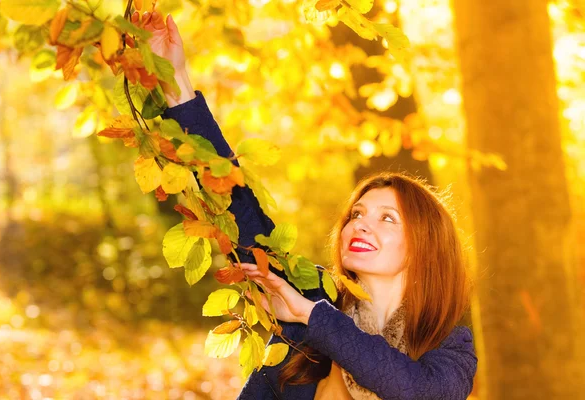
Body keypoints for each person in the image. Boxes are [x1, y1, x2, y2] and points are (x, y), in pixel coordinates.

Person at [136, 11, 478, 399]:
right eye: (357, 214)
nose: (361, 225)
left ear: (426, 245)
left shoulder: (451, 346)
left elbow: (418, 392)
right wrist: (176, 85)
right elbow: (237, 209)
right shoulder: (312, 294)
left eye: (388, 218)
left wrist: (311, 316)